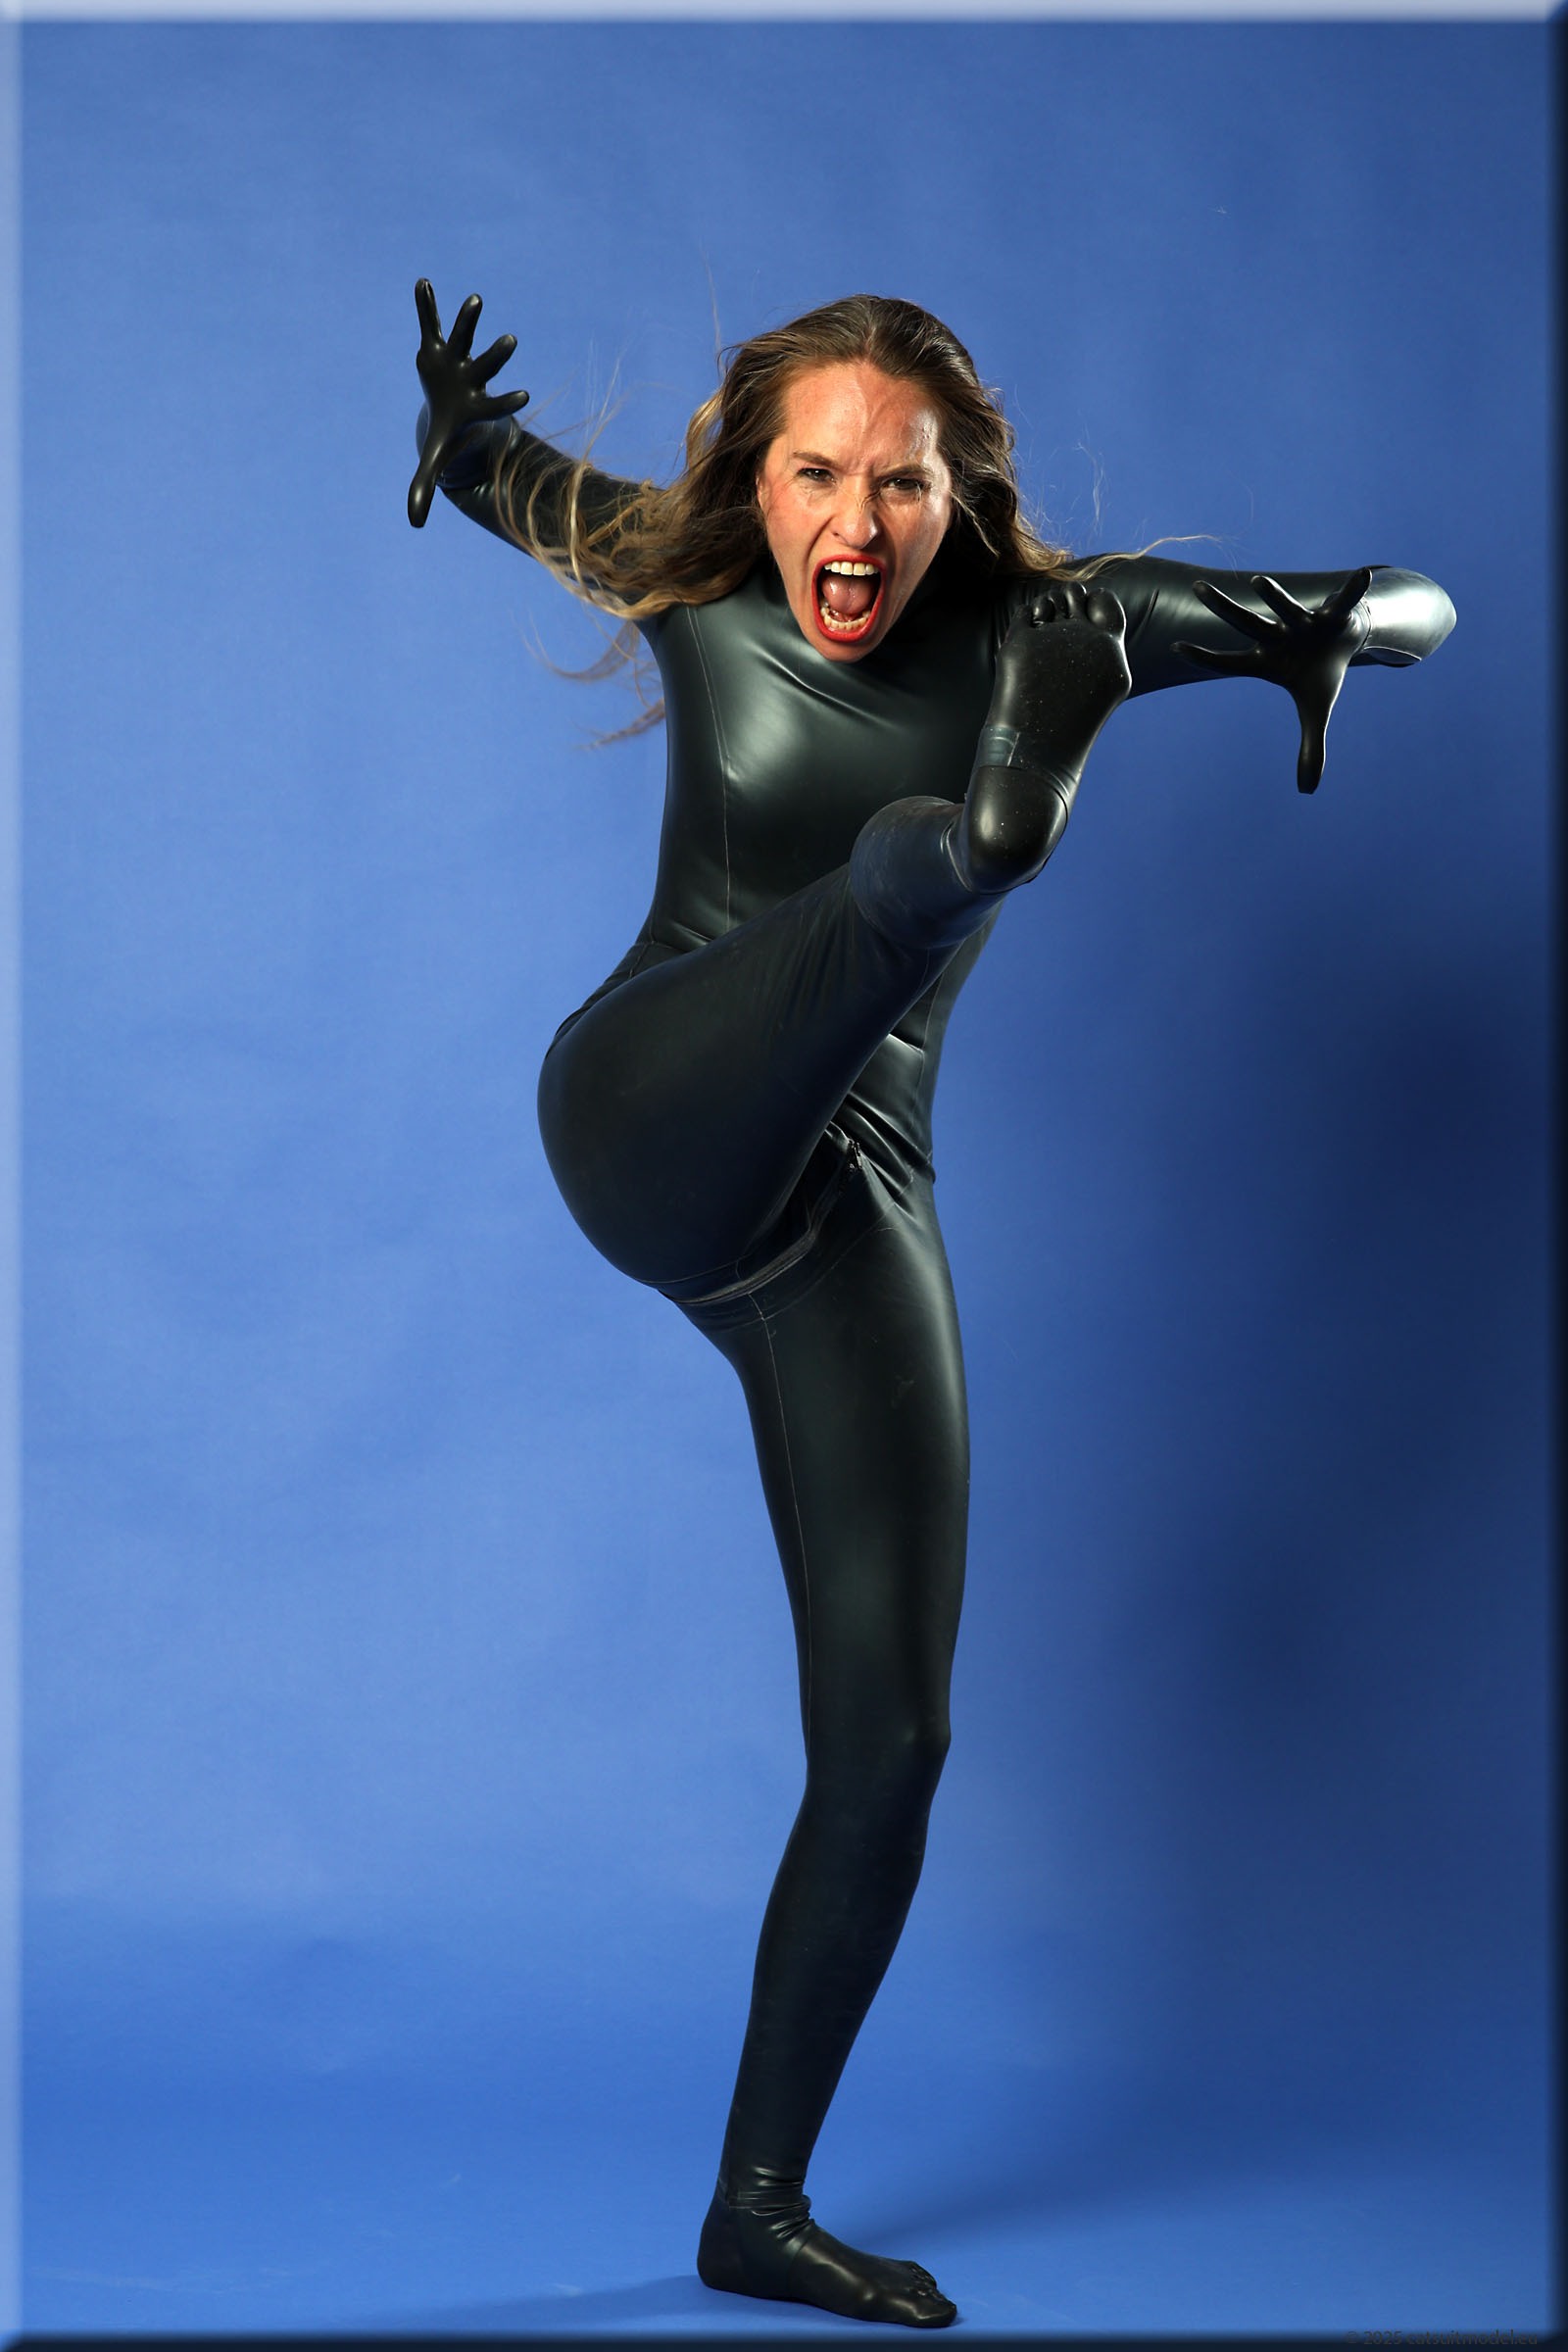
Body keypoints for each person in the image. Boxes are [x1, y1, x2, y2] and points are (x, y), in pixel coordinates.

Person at [407, 284, 1454, 2329]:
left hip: (836, 1208)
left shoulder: (1054, 620)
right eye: (816, 475)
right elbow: (507, 479)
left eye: (898, 484)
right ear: (763, 483)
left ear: (955, 495)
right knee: (913, 865)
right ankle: (981, 839)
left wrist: (1335, 624)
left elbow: (1409, 602)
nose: (853, 521)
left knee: (891, 1743)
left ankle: (756, 2207)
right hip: (652, 1106)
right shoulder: (695, 573)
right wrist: (454, 443)